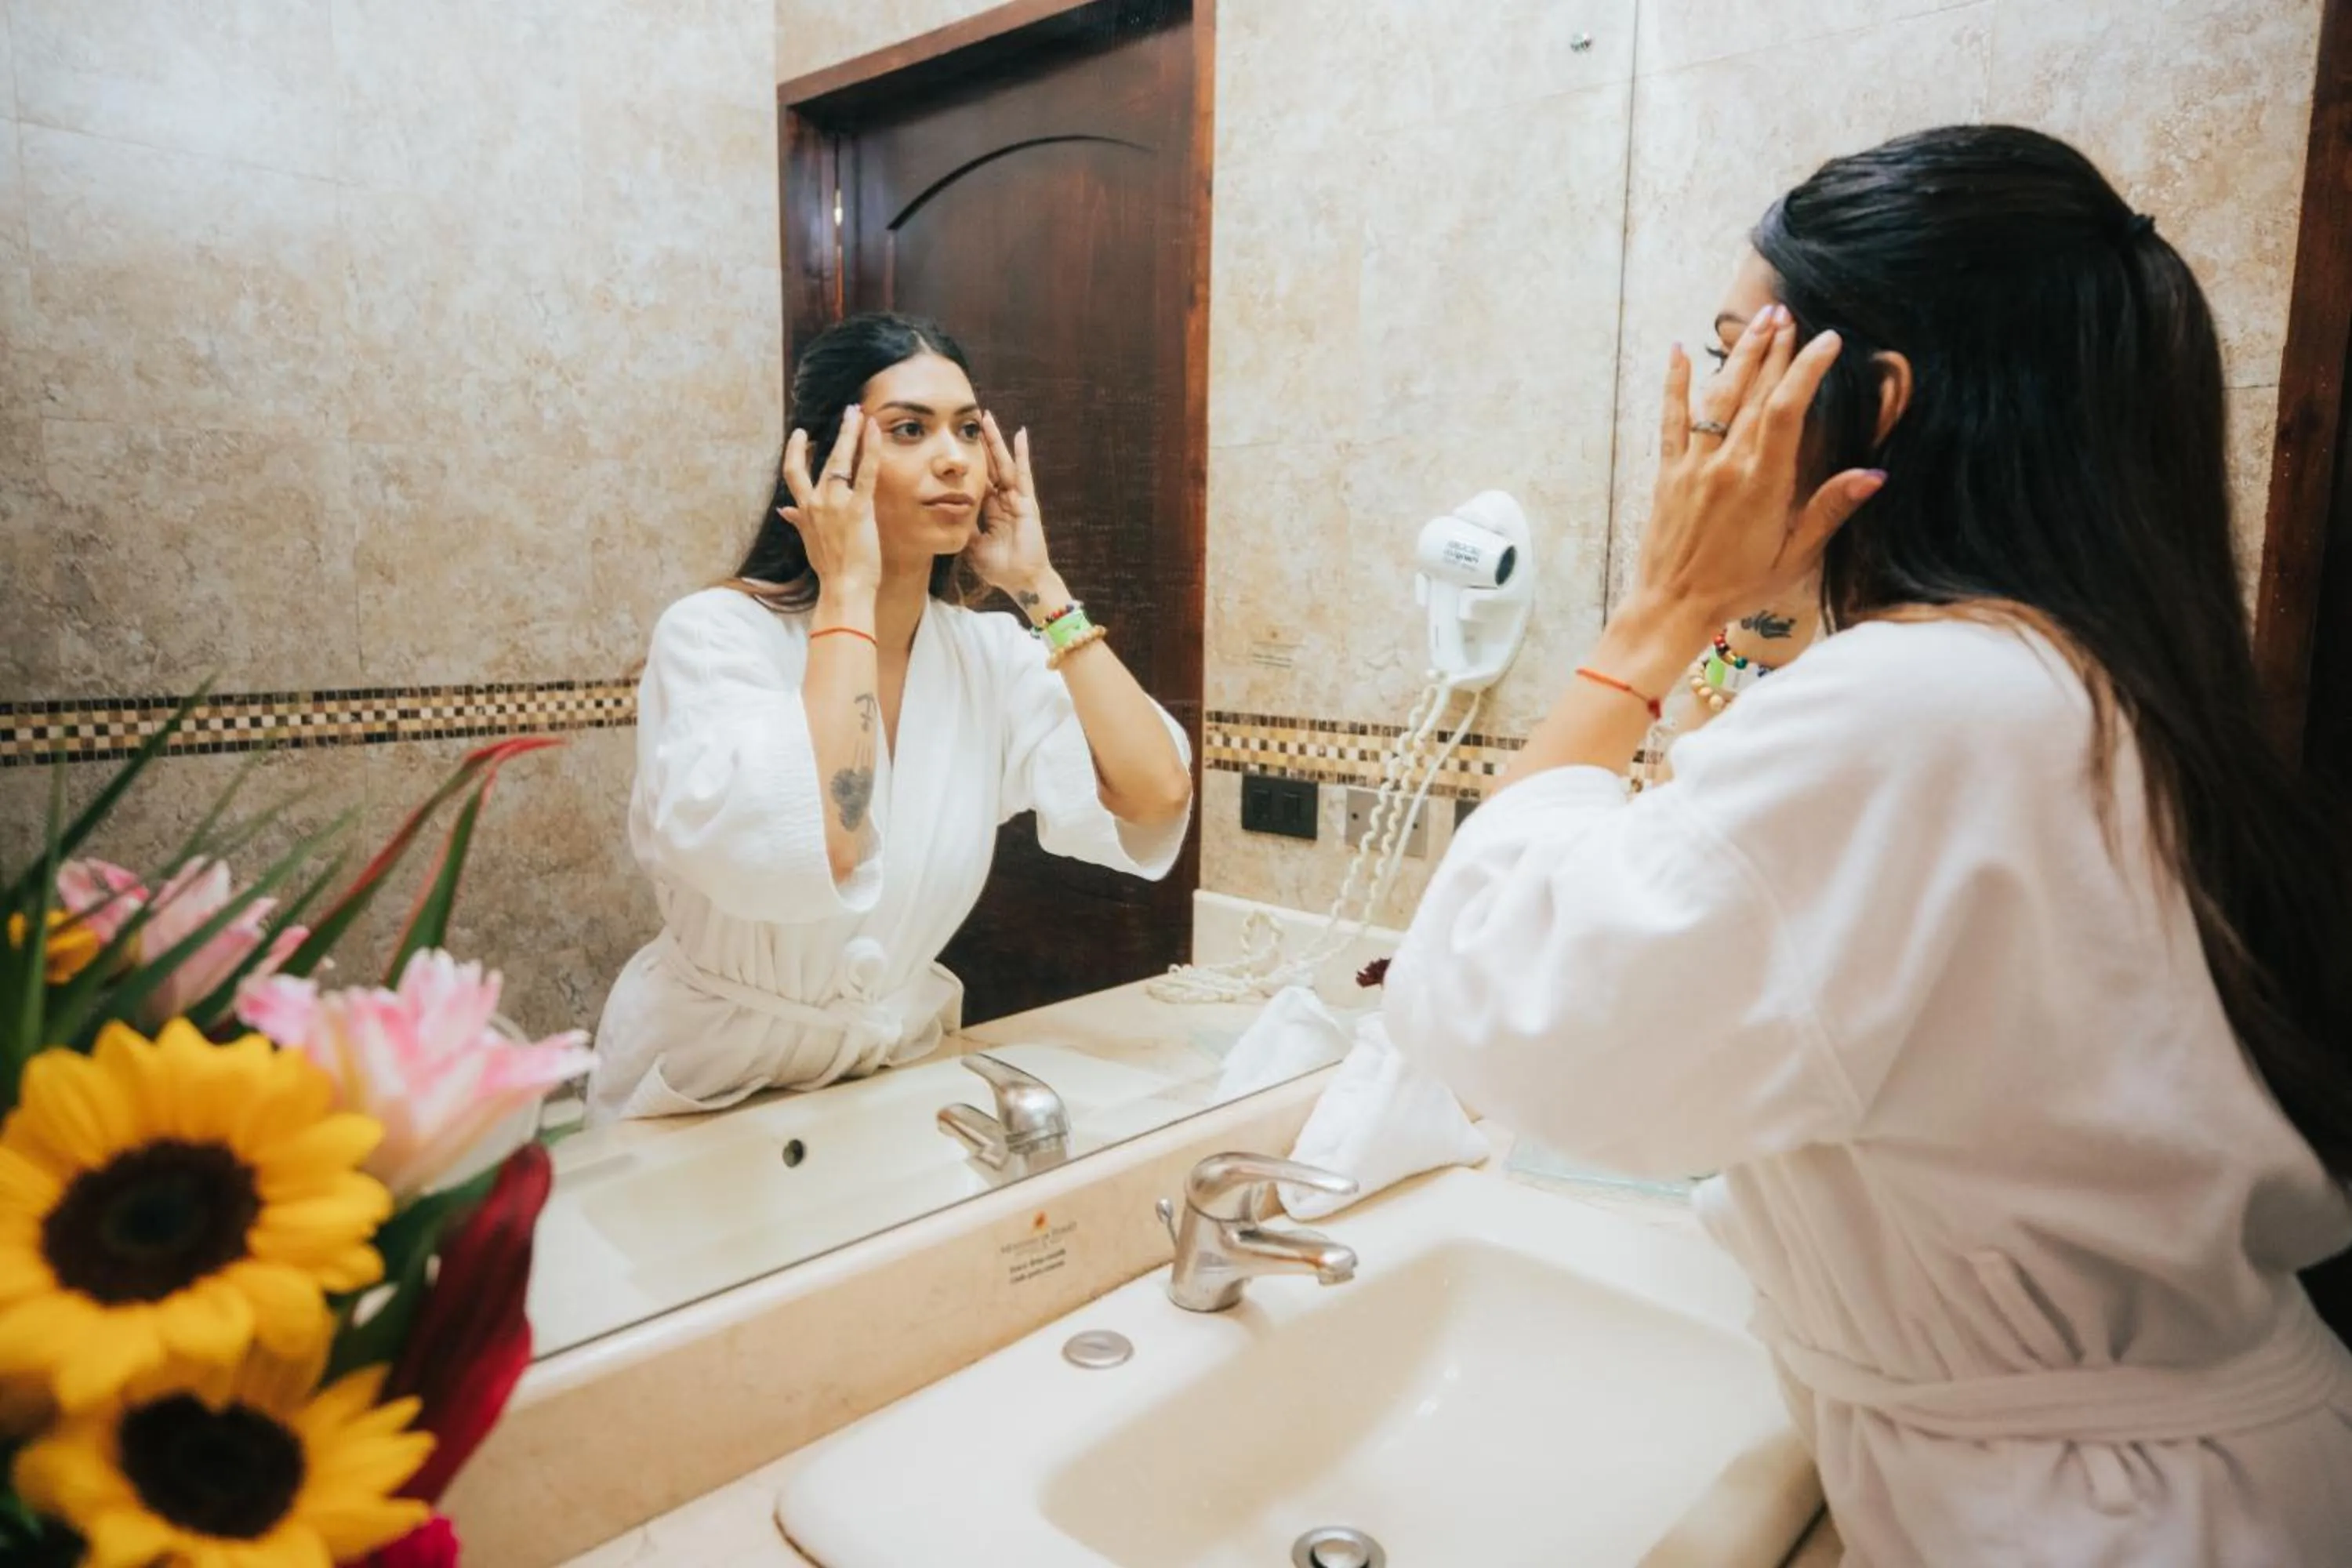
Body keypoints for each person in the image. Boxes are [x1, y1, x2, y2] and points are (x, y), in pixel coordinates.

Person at [1384, 125, 2352, 1564]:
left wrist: (1657, 617)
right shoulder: (2074, 681)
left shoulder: (1928, 702)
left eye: (1735, 352)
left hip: (2094, 1520)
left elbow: (1515, 1017)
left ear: (1873, 402)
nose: (1710, 405)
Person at [590, 313, 1193, 1122]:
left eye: (969, 429)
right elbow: (826, 840)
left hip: (884, 1079)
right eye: (909, 429)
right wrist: (843, 585)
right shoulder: (715, 634)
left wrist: (1040, 583)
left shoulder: (987, 654)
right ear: (823, 460)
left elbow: (1156, 793)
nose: (954, 457)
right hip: (708, 1087)